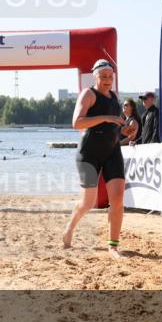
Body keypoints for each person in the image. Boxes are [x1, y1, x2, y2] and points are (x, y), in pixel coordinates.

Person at [63, 60, 125, 259]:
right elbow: (77, 123)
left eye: (110, 77)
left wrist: (126, 129)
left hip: (113, 151)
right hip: (89, 153)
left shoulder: (114, 97)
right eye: (104, 76)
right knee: (88, 203)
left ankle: (113, 247)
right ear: (95, 77)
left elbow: (115, 126)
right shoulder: (88, 94)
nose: (108, 80)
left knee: (117, 198)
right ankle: (70, 227)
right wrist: (106, 118)